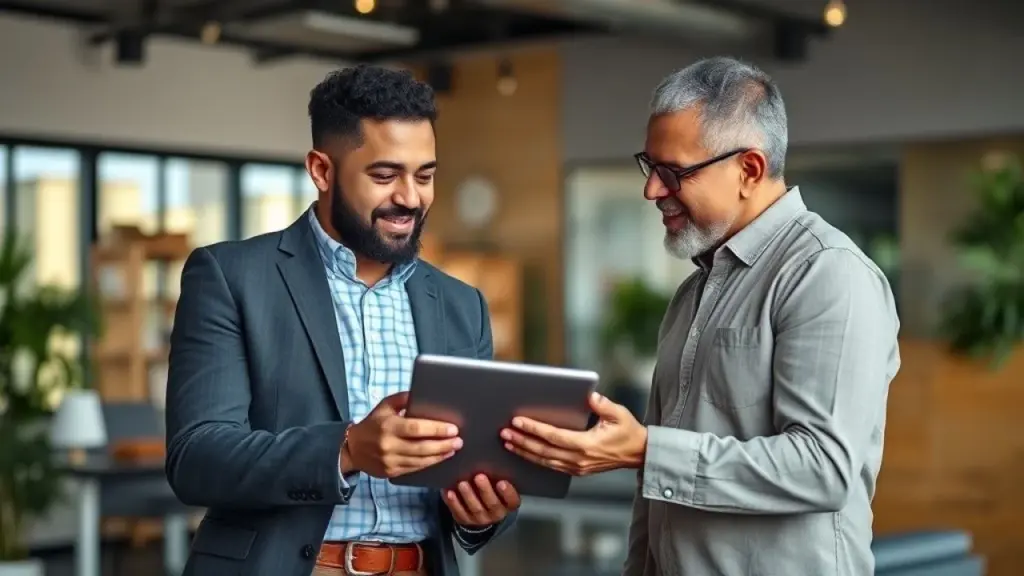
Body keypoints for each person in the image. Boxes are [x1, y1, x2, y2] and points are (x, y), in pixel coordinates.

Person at [501, 56, 900, 576]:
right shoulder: (692, 294)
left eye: (674, 172)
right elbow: (655, 502)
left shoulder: (827, 273)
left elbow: (823, 468)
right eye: (649, 166)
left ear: (748, 170)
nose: (652, 190)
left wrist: (647, 452)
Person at [165, 64, 518, 576]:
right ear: (321, 171)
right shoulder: (231, 277)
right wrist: (346, 450)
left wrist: (483, 512)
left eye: (425, 176)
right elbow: (196, 458)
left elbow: (475, 475)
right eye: (384, 176)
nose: (411, 198)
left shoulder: (463, 306)